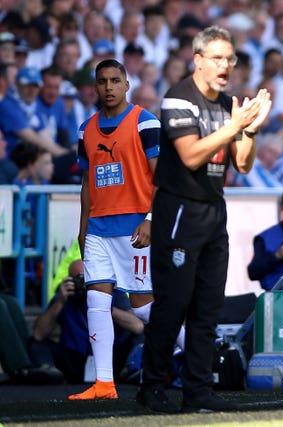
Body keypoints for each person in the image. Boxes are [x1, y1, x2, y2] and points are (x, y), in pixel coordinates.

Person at [137, 25, 271, 414]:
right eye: (217, 57)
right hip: (179, 209)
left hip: (214, 211)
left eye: (230, 58)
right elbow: (192, 156)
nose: (225, 65)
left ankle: (197, 389)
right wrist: (234, 125)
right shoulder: (179, 98)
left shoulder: (228, 106)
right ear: (197, 60)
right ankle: (152, 385)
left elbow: (243, 164)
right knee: (173, 303)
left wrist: (251, 129)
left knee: (207, 307)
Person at [67, 59, 160, 401]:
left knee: (141, 307)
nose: (108, 87)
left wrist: (151, 218)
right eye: (102, 81)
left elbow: (161, 176)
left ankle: (199, 352)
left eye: (114, 80)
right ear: (95, 86)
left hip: (136, 228)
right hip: (97, 230)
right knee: (96, 301)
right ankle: (104, 383)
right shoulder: (85, 129)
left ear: (126, 85)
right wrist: (82, 228)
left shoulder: (145, 122)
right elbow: (86, 183)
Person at [29, 258, 145, 384]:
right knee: (36, 343)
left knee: (143, 336)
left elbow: (138, 327)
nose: (83, 285)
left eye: (87, 279)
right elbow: (38, 334)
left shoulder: (112, 291)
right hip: (75, 356)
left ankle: (132, 370)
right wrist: (60, 301)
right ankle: (49, 372)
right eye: (78, 279)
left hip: (110, 355)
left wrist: (102, 304)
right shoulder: (64, 296)